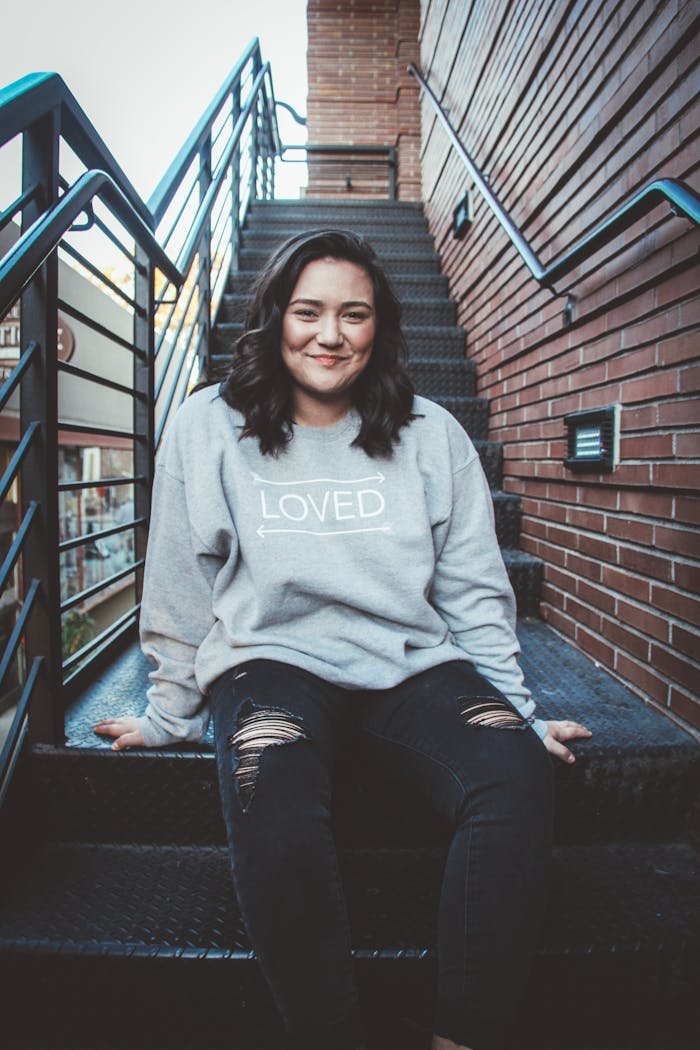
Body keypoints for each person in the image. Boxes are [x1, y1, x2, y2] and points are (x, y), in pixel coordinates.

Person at [94, 229, 592, 1050]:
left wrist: (517, 712)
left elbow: (473, 590)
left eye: (353, 314)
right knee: (270, 782)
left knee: (513, 769)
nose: (330, 335)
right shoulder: (208, 425)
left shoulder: (431, 432)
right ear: (275, 318)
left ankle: (461, 1036)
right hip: (271, 663)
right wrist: (170, 712)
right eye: (308, 312)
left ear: (378, 325)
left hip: (410, 666)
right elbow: (180, 581)